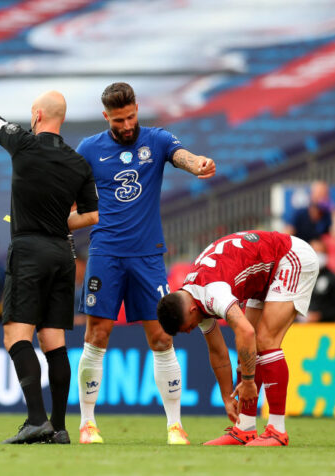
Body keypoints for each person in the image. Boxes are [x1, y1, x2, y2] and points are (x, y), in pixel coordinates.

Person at [74, 82, 216, 445]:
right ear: (106, 116)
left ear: (138, 108)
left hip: (148, 256)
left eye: (131, 116)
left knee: (161, 337)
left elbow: (182, 155)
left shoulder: (157, 139)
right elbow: (70, 198)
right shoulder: (89, 149)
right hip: (105, 254)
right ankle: (87, 423)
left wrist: (197, 164)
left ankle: (175, 425)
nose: (126, 125)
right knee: (97, 335)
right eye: (118, 119)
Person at [0, 49, 99, 444]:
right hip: (63, 253)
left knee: (16, 336)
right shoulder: (79, 164)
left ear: (39, 116)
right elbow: (91, 217)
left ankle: (35, 419)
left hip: (28, 250)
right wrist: (58, 220)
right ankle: (60, 428)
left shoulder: (24, 144)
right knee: (55, 341)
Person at [157, 230, 319, 447]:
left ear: (192, 311)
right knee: (248, 345)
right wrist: (227, 397)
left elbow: (247, 332)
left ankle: (277, 430)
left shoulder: (212, 292)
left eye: (188, 327)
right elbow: (217, 351)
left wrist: (249, 382)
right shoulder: (192, 296)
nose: (189, 331)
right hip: (264, 272)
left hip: (290, 257)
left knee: (264, 340)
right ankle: (245, 428)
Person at [307, 240, 335, 322]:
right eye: (314, 252)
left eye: (320, 252)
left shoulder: (333, 279)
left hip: (326, 327)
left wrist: (321, 315)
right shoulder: (300, 278)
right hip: (299, 329)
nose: (317, 256)